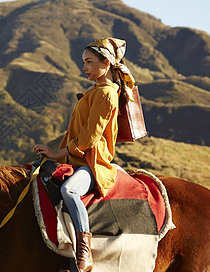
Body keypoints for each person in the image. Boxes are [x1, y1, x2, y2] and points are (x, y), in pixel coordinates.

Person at [33, 37, 135, 272]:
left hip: (92, 164)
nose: (85, 67)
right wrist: (55, 154)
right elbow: (75, 132)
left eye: (89, 62)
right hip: (74, 159)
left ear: (106, 62)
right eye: (83, 62)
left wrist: (56, 152)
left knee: (70, 190)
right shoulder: (95, 91)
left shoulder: (107, 94)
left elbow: (90, 137)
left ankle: (84, 253)